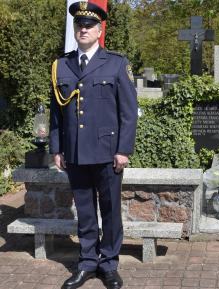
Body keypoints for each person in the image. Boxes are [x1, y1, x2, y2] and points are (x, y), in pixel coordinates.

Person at [49, 1, 138, 289]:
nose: (83, 29)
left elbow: (128, 111)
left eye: (89, 25)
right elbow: (56, 113)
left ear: (99, 30)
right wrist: (57, 148)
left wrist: (123, 150)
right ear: (75, 29)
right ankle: (87, 263)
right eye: (79, 25)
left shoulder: (116, 63)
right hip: (74, 152)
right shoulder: (61, 65)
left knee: (111, 210)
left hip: (107, 153)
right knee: (85, 212)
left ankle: (109, 265)